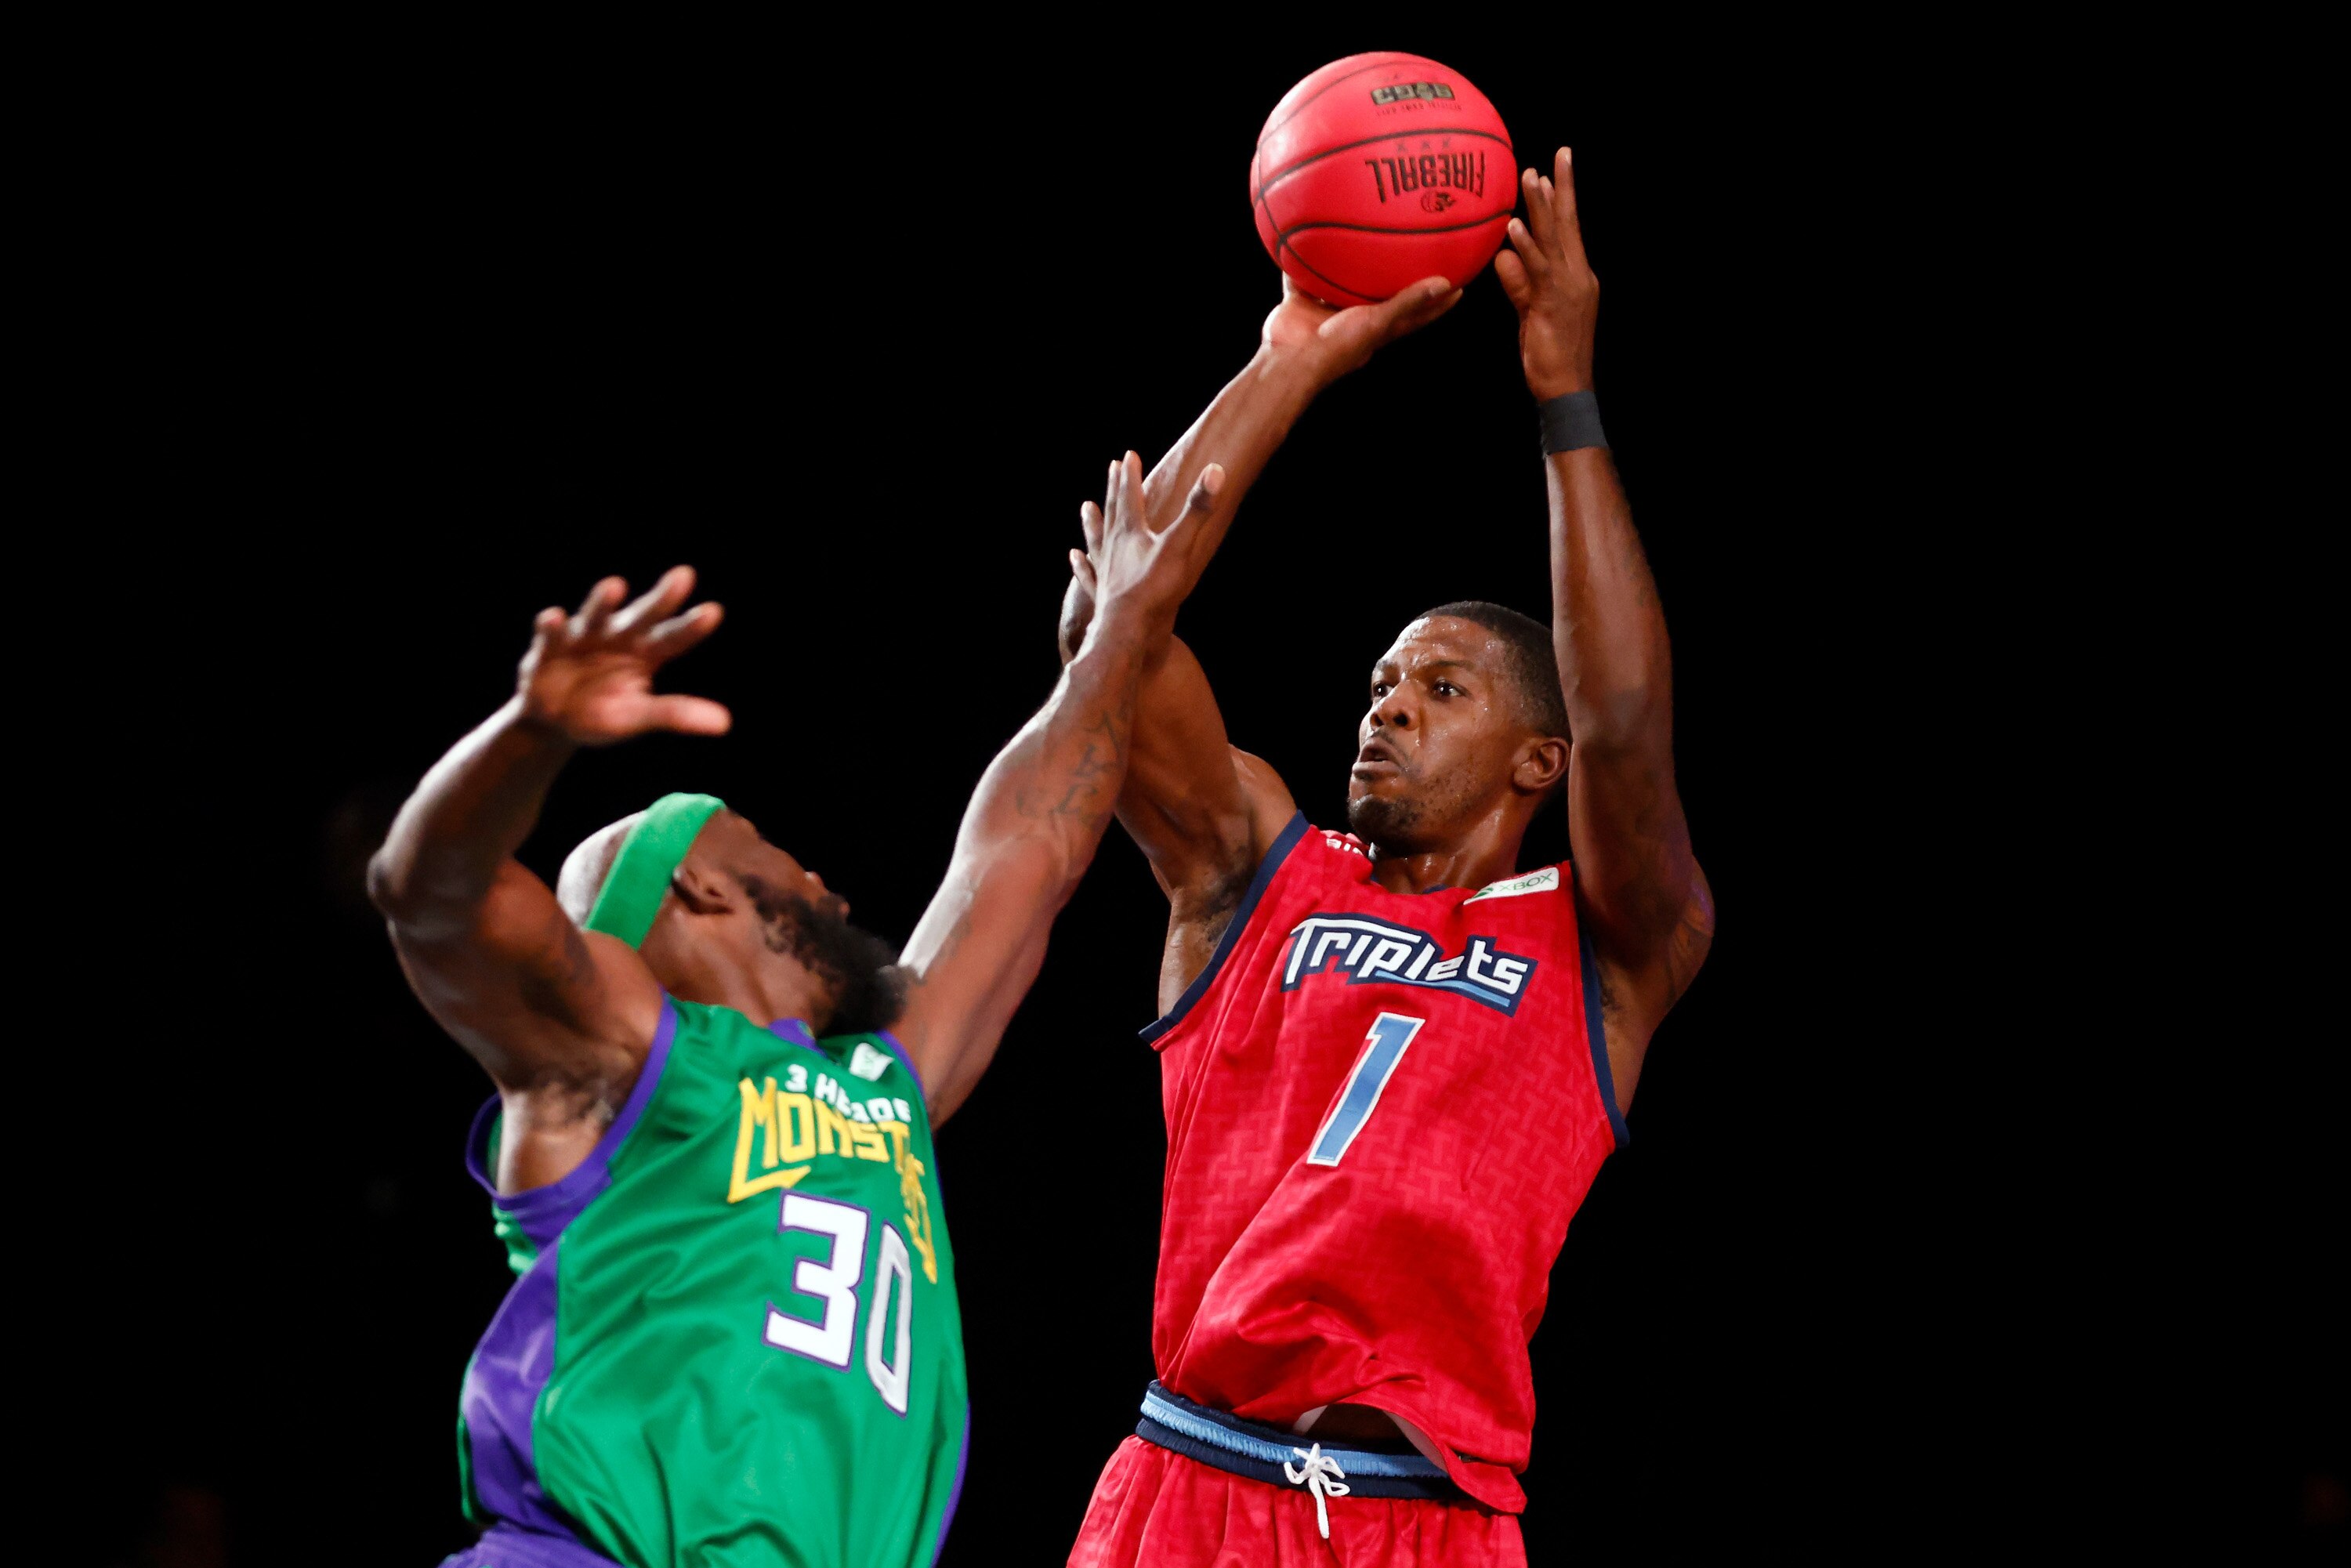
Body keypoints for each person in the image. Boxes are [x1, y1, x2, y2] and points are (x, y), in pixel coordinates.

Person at [368, 452, 1221, 1568]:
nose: (830, 886)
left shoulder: (879, 1089)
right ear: (702, 881)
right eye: (778, 850)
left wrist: (1124, 623)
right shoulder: (624, 1052)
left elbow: (1033, 842)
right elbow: (427, 895)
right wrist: (533, 731)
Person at [1062, 149, 1715, 1566]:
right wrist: (1289, 353)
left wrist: (1566, 396)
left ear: (1538, 763)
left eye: (1439, 687)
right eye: (1378, 684)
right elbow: (1112, 640)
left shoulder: (1607, 954)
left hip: (1429, 1518)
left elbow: (1621, 718)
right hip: (1191, 1474)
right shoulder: (1257, 870)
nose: (1388, 708)